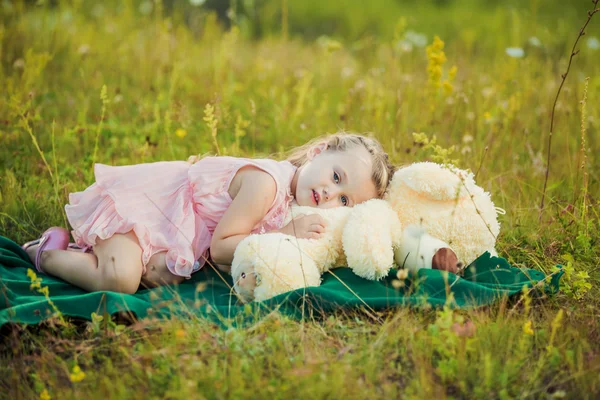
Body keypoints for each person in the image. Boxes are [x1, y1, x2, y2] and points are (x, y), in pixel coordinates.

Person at [22, 132, 396, 294]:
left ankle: (86, 254)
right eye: (336, 176)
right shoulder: (265, 184)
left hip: (180, 228)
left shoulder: (294, 204)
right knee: (119, 280)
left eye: (344, 201)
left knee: (157, 275)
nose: (330, 194)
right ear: (319, 152)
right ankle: (44, 253)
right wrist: (287, 233)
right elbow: (222, 249)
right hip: (149, 208)